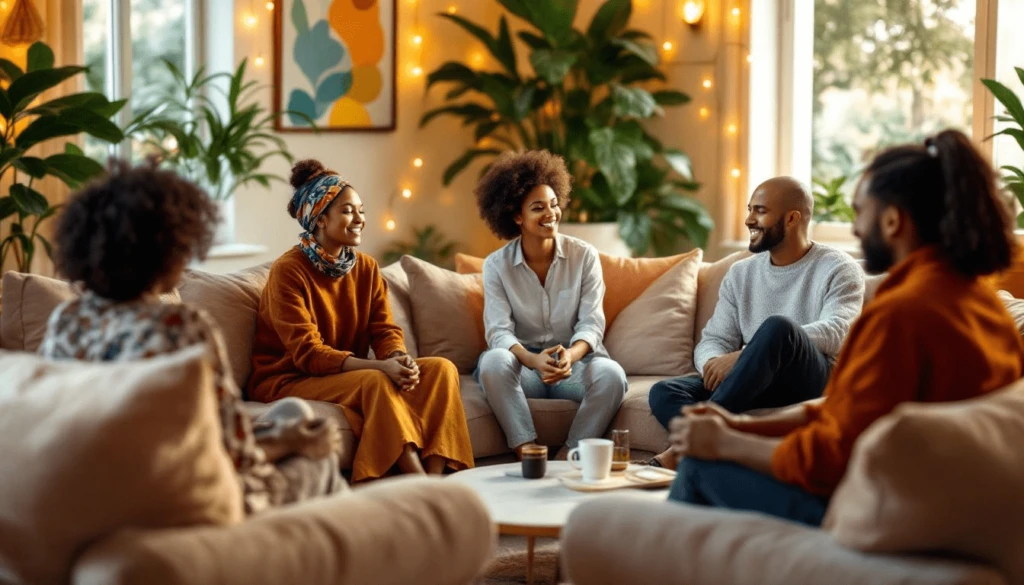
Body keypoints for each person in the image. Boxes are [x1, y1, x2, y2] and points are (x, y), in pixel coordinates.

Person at [667, 129, 1024, 526]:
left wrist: (725, 443)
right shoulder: (984, 306)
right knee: (679, 404)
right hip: (950, 504)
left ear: (892, 221)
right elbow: (847, 411)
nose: (855, 229)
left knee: (698, 468)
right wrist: (740, 424)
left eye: (859, 212)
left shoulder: (901, 315)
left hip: (887, 510)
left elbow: (827, 459)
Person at [40, 160, 345, 516]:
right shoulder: (178, 325)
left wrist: (282, 435)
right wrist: (295, 442)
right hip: (192, 496)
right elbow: (232, 455)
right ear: (167, 247)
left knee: (291, 412)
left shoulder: (68, 320)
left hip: (107, 487)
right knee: (319, 450)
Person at [247, 159, 473, 482]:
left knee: (440, 370)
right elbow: (308, 354)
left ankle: (436, 478)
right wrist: (381, 368)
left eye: (361, 211)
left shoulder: (365, 268)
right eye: (348, 211)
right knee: (376, 381)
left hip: (337, 374)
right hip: (288, 378)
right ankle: (417, 480)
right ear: (321, 220)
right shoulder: (288, 271)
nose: (360, 220)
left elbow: (384, 330)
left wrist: (398, 357)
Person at [647, 177, 864, 469]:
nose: (749, 219)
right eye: (750, 209)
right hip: (755, 376)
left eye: (760, 211)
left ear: (791, 218)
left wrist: (742, 356)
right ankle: (716, 447)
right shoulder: (741, 273)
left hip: (814, 378)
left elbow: (837, 331)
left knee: (778, 328)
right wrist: (714, 363)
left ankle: (681, 451)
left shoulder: (839, 267)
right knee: (665, 392)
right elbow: (714, 338)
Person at [473, 150, 627, 459]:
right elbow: (499, 332)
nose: (551, 214)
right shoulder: (496, 266)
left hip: (573, 366)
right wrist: (532, 361)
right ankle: (526, 450)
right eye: (538, 207)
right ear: (517, 216)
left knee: (612, 375)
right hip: (524, 370)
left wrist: (570, 355)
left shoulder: (584, 256)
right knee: (492, 361)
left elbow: (591, 323)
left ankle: (568, 455)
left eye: (554, 204)